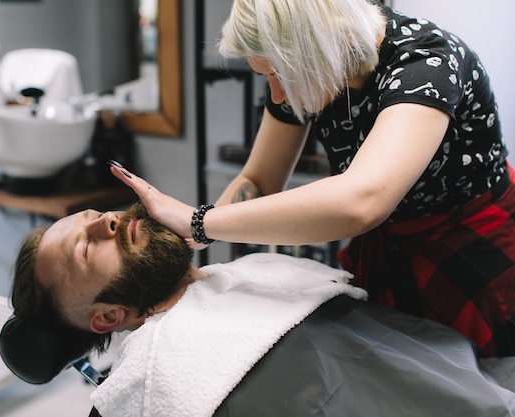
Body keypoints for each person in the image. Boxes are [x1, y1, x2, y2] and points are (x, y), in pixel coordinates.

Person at [109, 0, 515, 358]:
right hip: (386, 248)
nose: (279, 96)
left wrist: (199, 219)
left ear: (315, 46)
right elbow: (260, 179)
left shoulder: (426, 61)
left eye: (277, 75)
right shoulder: (311, 69)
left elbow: (362, 200)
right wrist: (184, 246)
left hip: (470, 247)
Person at [8, 201, 515, 417]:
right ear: (107, 318)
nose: (109, 223)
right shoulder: (150, 387)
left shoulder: (247, 275)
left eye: (96, 216)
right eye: (85, 248)